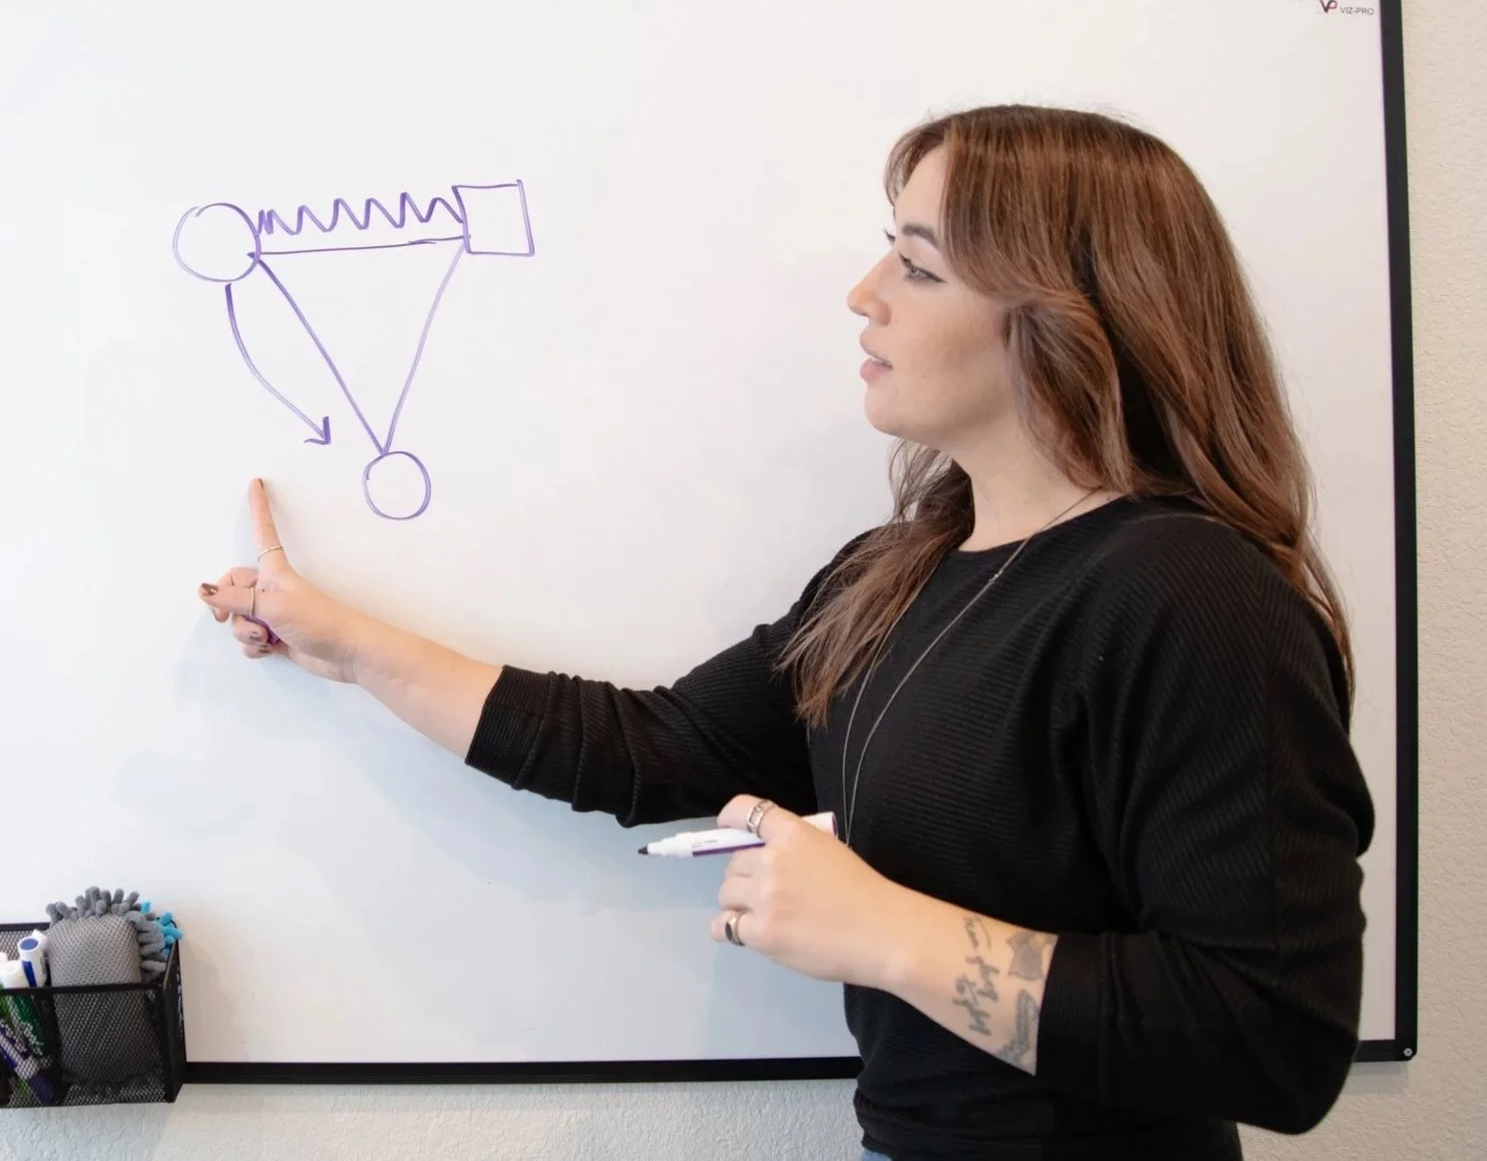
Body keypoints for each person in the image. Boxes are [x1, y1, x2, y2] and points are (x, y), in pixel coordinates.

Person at [198, 104, 1375, 1160]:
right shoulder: (897, 573)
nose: (863, 291)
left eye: (916, 264)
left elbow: (1270, 1036)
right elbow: (651, 746)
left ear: (1065, 318)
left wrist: (882, 929)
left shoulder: (1188, 594)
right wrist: (343, 642)